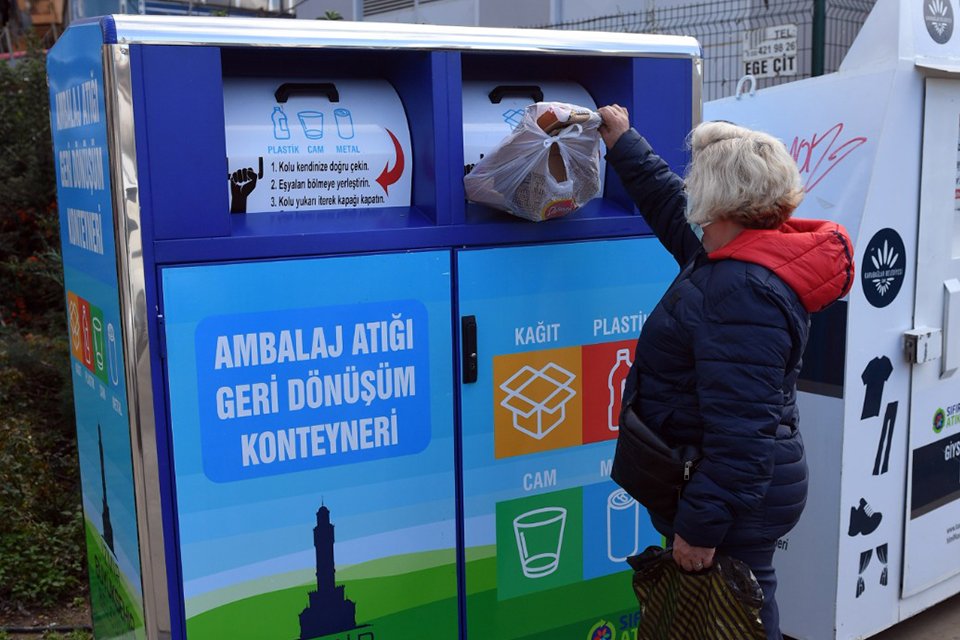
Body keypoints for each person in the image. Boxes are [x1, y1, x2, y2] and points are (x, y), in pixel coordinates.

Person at [598, 105, 854, 640]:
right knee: (731, 611)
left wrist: (699, 528)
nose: (692, 207)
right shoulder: (742, 255)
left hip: (728, 501)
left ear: (725, 204)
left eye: (701, 194)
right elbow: (670, 207)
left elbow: (741, 434)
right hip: (725, 490)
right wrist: (623, 142)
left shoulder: (742, 291)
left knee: (736, 618)